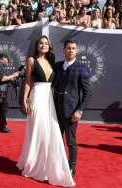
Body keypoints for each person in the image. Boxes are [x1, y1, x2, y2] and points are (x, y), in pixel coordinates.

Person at [17, 36, 75, 187]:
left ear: (49, 47)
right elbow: (28, 81)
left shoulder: (51, 62)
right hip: (37, 97)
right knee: (38, 131)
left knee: (49, 133)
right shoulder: (31, 60)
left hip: (49, 99)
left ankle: (46, 165)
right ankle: (34, 165)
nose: (43, 45)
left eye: (46, 43)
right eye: (41, 43)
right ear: (37, 46)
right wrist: (24, 99)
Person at [53, 39, 92, 178]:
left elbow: (87, 93)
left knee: (71, 141)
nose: (71, 50)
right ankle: (57, 164)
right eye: (68, 48)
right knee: (55, 140)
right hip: (54, 110)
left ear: (76, 51)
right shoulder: (57, 66)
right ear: (64, 50)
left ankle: (71, 167)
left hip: (71, 111)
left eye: (73, 48)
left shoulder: (82, 68)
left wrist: (80, 110)